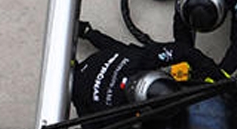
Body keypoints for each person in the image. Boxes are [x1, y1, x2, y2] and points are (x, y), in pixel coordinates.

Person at [71, 23, 225, 116]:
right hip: (76, 84)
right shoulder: (112, 112)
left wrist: (220, 79)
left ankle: (87, 33)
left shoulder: (139, 58)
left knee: (122, 51)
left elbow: (183, 51)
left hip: (112, 60)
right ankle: (87, 33)